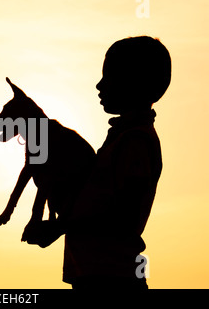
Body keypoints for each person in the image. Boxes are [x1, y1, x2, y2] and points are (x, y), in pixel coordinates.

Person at [22, 36, 172, 290]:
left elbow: (121, 214)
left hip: (113, 278)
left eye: (109, 76)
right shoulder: (121, 138)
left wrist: (59, 227)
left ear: (133, 82)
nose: (99, 85)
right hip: (95, 275)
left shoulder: (135, 142)